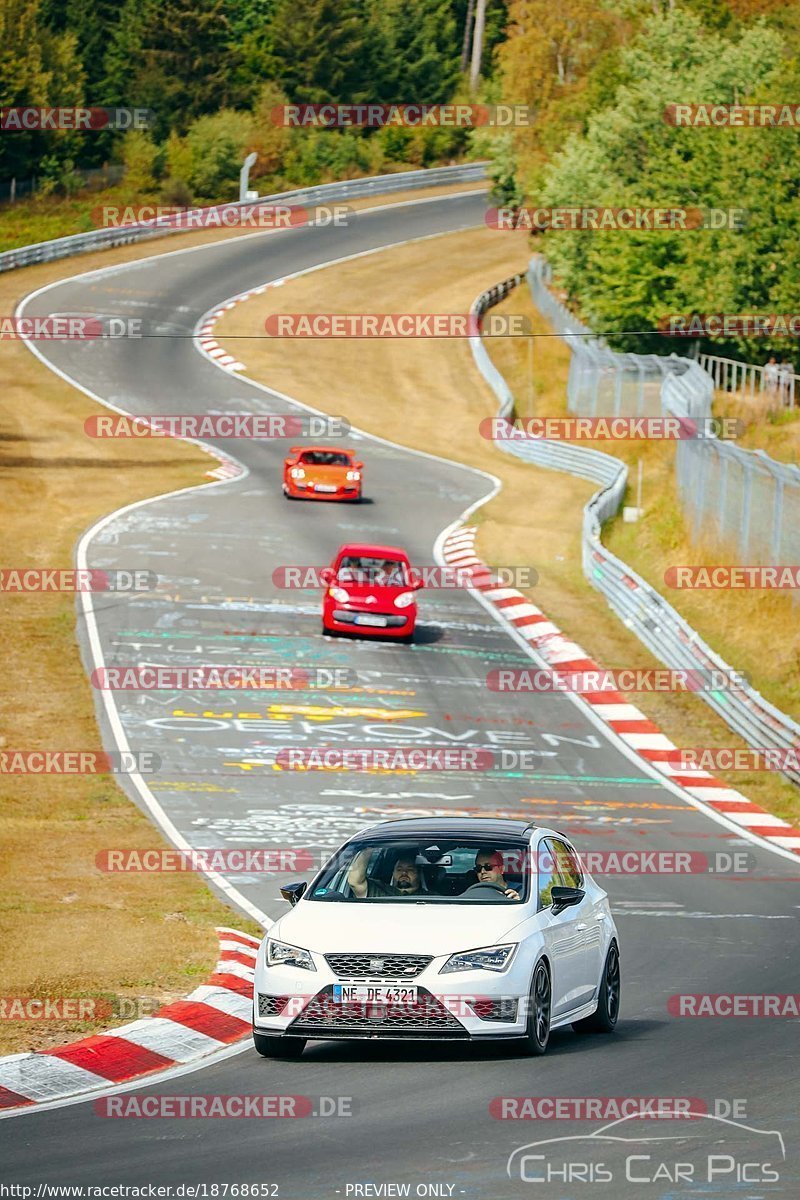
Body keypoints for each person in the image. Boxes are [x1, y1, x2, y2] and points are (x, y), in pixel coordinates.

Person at [347, 846, 422, 898]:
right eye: (399, 869)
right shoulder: (378, 890)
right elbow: (355, 882)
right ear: (393, 873)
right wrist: (369, 849)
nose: (404, 873)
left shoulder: (431, 897)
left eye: (410, 870)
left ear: (419, 874)